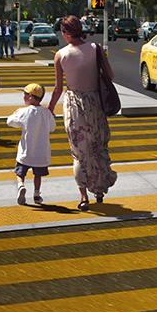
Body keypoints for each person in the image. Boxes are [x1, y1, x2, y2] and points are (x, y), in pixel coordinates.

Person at [47, 15, 118, 211]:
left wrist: (50, 108)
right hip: (95, 104)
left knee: (79, 153)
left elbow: (58, 89)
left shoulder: (60, 55)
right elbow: (110, 75)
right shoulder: (96, 49)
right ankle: (99, 191)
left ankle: (83, 196)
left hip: (74, 106)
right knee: (98, 148)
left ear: (66, 33)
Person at [7, 83, 56, 206]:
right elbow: (52, 127)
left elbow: (10, 122)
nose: (23, 97)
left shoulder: (24, 112)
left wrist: (15, 113)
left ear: (30, 97)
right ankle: (37, 194)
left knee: (19, 173)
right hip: (41, 154)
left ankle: (21, 186)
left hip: (25, 152)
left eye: (25, 94)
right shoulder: (46, 113)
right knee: (37, 175)